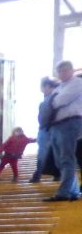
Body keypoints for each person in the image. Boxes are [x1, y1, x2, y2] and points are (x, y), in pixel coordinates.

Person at [45, 60, 82, 202]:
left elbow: (59, 101)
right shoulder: (61, 86)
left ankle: (64, 192)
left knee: (66, 158)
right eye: (60, 71)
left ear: (71, 71)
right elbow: (51, 101)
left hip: (70, 122)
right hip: (57, 125)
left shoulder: (77, 83)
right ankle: (72, 190)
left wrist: (51, 102)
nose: (62, 73)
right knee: (60, 160)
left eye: (65, 70)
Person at [30, 77, 59, 183]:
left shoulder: (48, 100)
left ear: (47, 87)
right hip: (52, 129)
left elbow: (44, 117)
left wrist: (44, 126)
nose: (41, 89)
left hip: (46, 129)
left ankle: (37, 175)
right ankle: (57, 174)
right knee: (55, 152)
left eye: (42, 86)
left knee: (43, 153)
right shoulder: (55, 97)